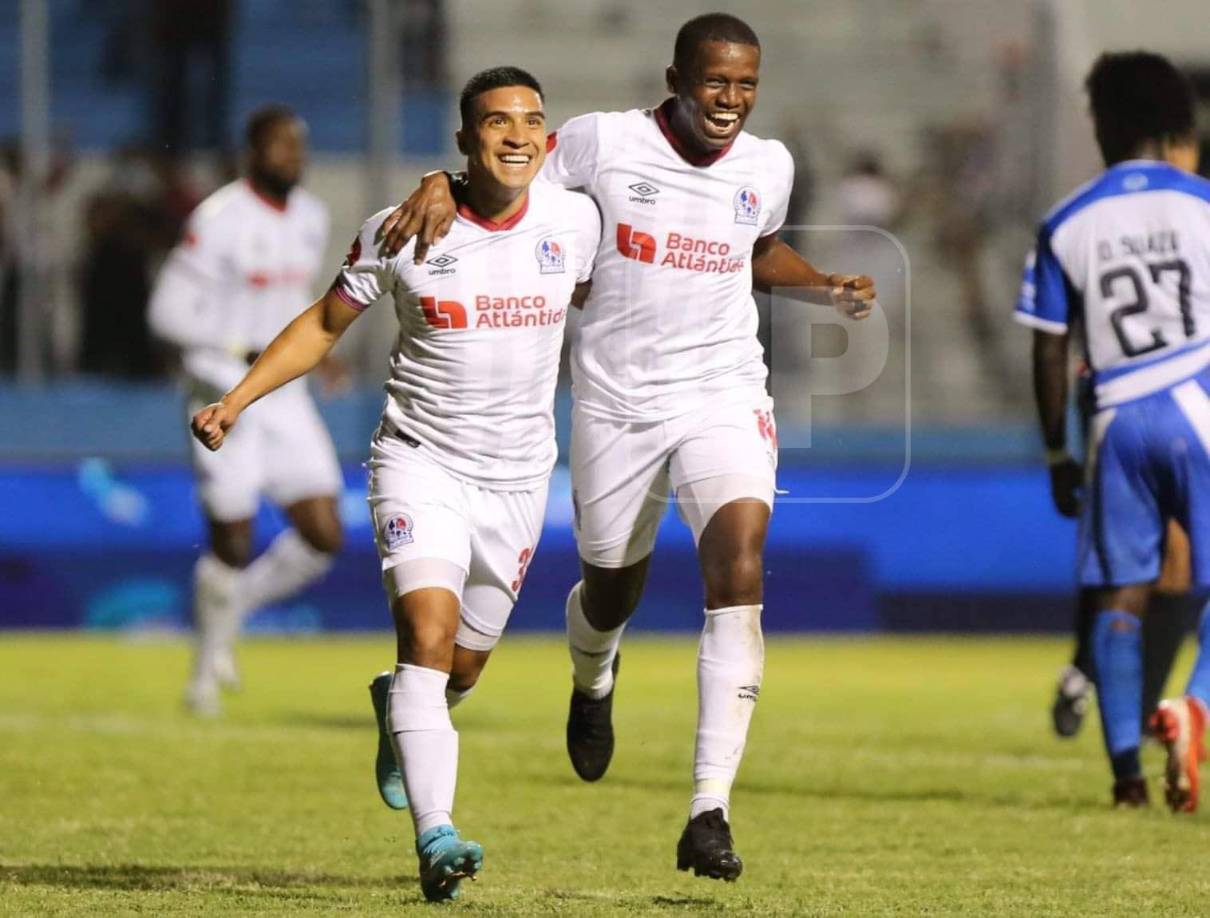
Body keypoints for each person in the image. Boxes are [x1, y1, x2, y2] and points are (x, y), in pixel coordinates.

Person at [379, 13, 877, 879]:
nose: (731, 101)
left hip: (723, 391)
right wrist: (433, 178)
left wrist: (823, 284)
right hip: (614, 402)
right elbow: (507, 164)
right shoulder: (603, 144)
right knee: (611, 586)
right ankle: (594, 673)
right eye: (716, 82)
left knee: (741, 568)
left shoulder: (771, 164)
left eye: (746, 84)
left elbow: (751, 250)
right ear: (676, 78)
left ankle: (708, 808)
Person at [192, 67, 600, 900]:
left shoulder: (577, 219)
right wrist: (236, 400)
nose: (516, 134)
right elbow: (321, 323)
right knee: (425, 636)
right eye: (495, 121)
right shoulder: (400, 231)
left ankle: (399, 707)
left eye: (532, 119)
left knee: (462, 669)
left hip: (520, 476)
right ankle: (437, 836)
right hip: (420, 462)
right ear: (464, 140)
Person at [1016, 50, 1210, 809]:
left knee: (1118, 599)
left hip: (1117, 421)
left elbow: (1048, 344)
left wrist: (1059, 450)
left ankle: (1127, 774)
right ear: (1170, 124)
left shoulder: (1067, 220)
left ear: (1102, 123)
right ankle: (1192, 702)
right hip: (1198, 404)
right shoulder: (1203, 205)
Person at [149, 106, 344, 716]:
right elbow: (167, 312)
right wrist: (233, 350)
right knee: (232, 537)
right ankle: (203, 675)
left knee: (322, 534)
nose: (293, 156)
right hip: (223, 390)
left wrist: (318, 353)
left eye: (299, 146)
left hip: (285, 394)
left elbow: (297, 303)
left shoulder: (312, 217)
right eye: (281, 146)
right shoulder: (220, 219)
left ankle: (231, 615)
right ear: (252, 152)